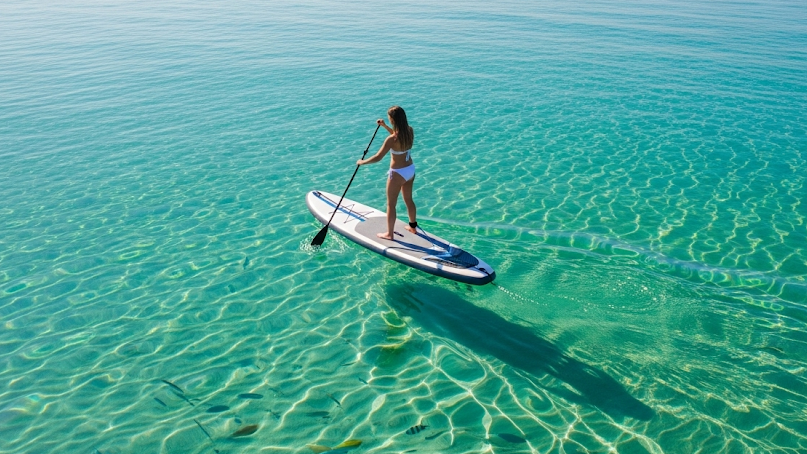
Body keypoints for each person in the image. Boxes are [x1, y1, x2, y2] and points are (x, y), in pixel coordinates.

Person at [357, 105, 418, 240]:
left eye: (389, 118)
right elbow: (397, 136)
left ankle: (389, 234)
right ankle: (413, 227)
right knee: (408, 200)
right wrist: (385, 126)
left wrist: (363, 162)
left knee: (391, 204)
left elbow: (378, 157)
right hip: (410, 170)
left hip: (397, 173)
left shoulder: (391, 140)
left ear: (393, 120)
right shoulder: (409, 131)